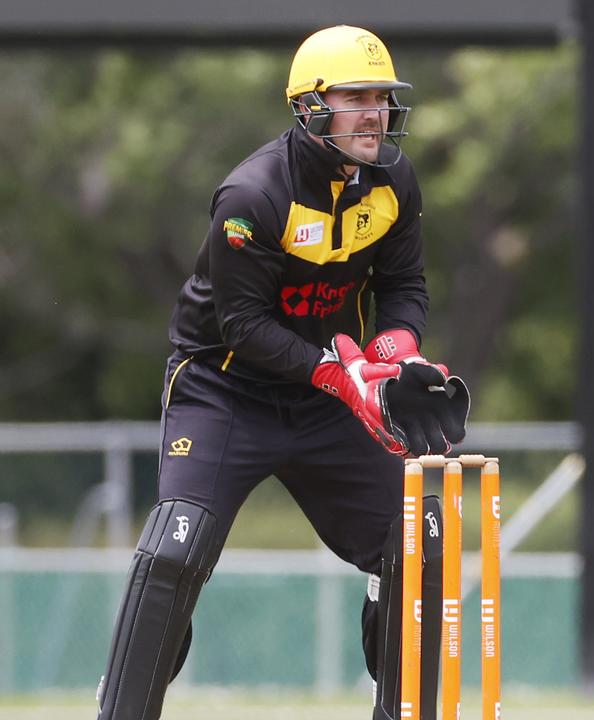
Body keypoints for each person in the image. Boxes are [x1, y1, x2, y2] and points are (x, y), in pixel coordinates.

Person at [93, 25, 468, 720]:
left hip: (333, 396)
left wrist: (395, 349)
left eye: (382, 98)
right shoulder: (251, 197)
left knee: (419, 541)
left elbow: (405, 283)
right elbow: (244, 326)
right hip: (225, 387)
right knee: (177, 548)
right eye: (355, 97)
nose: (374, 114)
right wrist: (339, 375)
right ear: (308, 107)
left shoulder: (393, 180)